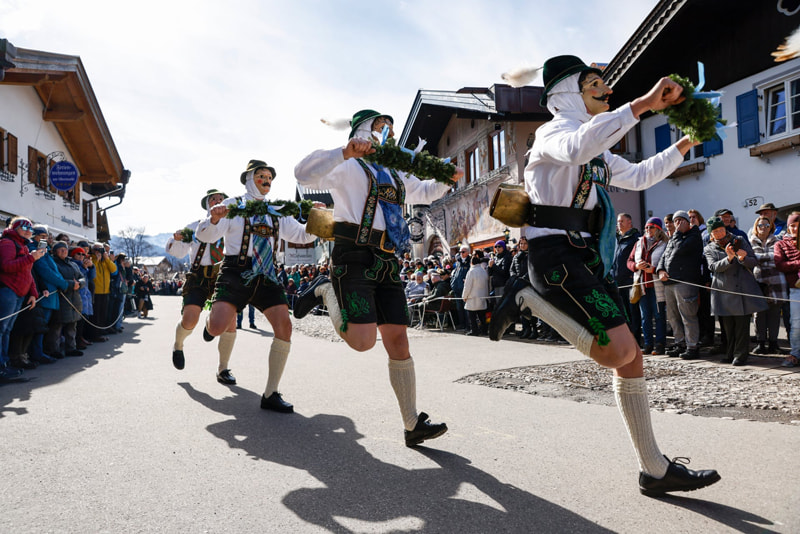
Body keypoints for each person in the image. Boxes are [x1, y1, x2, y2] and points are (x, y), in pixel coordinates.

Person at [488, 56, 719, 495]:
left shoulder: (597, 147)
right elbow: (577, 148)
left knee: (632, 359)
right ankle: (525, 297)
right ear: (567, 92)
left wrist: (685, 144)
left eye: (605, 85)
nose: (606, 90)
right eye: (596, 83)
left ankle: (653, 469)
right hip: (553, 254)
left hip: (583, 255)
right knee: (617, 352)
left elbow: (639, 175)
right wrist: (642, 104)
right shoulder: (553, 134)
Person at [293, 109, 461, 446]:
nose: (386, 133)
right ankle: (326, 290)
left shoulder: (396, 172)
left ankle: (412, 424)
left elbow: (424, 192)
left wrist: (447, 178)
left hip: (387, 259)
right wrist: (344, 152)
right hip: (352, 254)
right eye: (379, 126)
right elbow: (303, 174)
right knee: (362, 341)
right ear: (363, 130)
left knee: (398, 340)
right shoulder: (346, 164)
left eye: (390, 128)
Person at [196, 160, 317, 412]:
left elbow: (301, 235)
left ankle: (271, 393)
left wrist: (317, 220)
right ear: (249, 178)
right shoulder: (232, 206)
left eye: (270, 177)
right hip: (236, 271)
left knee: (284, 327)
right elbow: (205, 236)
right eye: (262, 175)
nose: (267, 180)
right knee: (218, 326)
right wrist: (215, 220)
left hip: (267, 274)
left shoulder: (276, 210)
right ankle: (211, 323)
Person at [166, 189, 240, 381]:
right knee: (190, 319)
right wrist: (175, 239)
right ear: (208, 205)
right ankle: (178, 345)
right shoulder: (195, 226)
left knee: (231, 321)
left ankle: (223, 369)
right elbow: (180, 253)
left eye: (221, 198)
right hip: (199, 275)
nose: (218, 201)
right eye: (213, 199)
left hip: (223, 276)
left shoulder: (234, 224)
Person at [704, 217, 767, 365]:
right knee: (727, 327)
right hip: (723, 290)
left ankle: (740, 355)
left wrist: (743, 258)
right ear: (711, 234)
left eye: (721, 230)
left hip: (741, 289)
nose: (719, 233)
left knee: (741, 325)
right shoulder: (709, 248)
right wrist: (729, 258)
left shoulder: (739, 240)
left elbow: (753, 261)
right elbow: (713, 267)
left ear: (725, 229)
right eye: (715, 232)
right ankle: (729, 353)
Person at [0, 217, 46, 381]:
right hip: (8, 291)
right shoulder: (7, 243)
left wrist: (33, 293)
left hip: (19, 293)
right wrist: (31, 258)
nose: (28, 231)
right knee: (1, 329)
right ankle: (1, 367)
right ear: (15, 227)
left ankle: (4, 364)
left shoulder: (24, 246)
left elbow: (28, 273)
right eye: (24, 227)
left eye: (31, 229)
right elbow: (6, 266)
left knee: (6, 330)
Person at [657, 211, 704, 360]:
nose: (677, 223)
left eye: (680, 220)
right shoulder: (674, 238)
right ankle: (680, 343)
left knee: (688, 315)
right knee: (672, 315)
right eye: (675, 221)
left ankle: (692, 346)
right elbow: (664, 256)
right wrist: (660, 270)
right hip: (669, 282)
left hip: (685, 281)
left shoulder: (694, 236)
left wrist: (677, 234)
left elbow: (680, 250)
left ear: (687, 222)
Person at [628, 217, 668, 355]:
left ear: (658, 229)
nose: (648, 230)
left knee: (659, 316)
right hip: (641, 285)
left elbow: (667, 263)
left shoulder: (664, 243)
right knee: (645, 316)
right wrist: (636, 266)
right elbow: (629, 261)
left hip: (657, 285)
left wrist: (655, 268)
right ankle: (648, 344)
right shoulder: (638, 243)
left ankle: (660, 344)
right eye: (646, 228)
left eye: (651, 227)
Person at [749, 215, 787, 355]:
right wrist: (762, 259)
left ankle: (773, 343)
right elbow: (750, 259)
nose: (763, 227)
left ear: (771, 227)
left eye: (766, 225)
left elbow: (777, 259)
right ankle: (761, 343)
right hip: (758, 282)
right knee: (759, 314)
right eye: (760, 225)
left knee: (774, 314)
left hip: (776, 282)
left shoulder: (777, 241)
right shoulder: (750, 242)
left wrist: (757, 259)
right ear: (756, 227)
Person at [48, 241, 85, 358]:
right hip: (62, 297)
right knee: (57, 325)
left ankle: (71, 347)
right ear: (55, 251)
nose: (64, 251)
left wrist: (80, 283)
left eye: (65, 249)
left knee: (72, 325)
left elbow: (82, 277)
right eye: (60, 249)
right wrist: (70, 284)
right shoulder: (53, 263)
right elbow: (55, 279)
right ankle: (54, 349)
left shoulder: (73, 264)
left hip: (74, 297)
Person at [773, 211, 800, 368]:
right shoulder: (781, 243)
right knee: (796, 324)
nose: (795, 229)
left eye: (797, 226)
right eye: (792, 226)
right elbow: (780, 264)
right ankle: (796, 353)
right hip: (795, 288)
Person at [612, 212, 642, 344]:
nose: (619, 224)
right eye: (618, 222)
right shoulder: (617, 238)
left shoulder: (635, 238)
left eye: (621, 221)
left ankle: (635, 339)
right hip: (618, 281)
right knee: (622, 312)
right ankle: (626, 339)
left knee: (633, 312)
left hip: (630, 280)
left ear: (629, 222)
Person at [509, 236, 536, 339]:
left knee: (531, 309)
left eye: (525, 243)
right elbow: (511, 269)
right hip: (518, 285)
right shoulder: (516, 257)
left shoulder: (531, 255)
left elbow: (531, 270)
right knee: (521, 309)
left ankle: (534, 329)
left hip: (529, 284)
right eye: (521, 244)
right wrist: (514, 278)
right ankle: (526, 329)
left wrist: (523, 279)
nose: (522, 245)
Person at [462, 254, 489, 336]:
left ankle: (474, 330)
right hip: (482, 296)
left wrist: (464, 296)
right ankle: (484, 330)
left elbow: (467, 286)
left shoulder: (471, 271)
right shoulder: (483, 271)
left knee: (472, 316)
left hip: (472, 297)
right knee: (482, 316)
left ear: (471, 263)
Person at [450, 245, 471, 330]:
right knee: (459, 308)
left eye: (463, 252)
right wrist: (453, 283)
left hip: (464, 288)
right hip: (457, 288)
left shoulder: (470, 261)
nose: (461, 254)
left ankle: (468, 325)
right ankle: (462, 324)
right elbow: (455, 274)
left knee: (466, 308)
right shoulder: (458, 262)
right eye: (460, 252)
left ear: (468, 252)